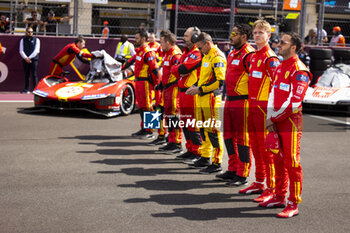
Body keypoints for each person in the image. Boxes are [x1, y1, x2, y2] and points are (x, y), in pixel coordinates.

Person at [262, 32, 311, 218]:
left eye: (283, 42)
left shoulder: (300, 70)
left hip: (290, 122)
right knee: (277, 159)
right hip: (276, 120)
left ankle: (293, 202)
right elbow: (273, 94)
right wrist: (270, 117)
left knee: (291, 161)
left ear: (293, 47)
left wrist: (273, 119)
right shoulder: (280, 66)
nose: (278, 43)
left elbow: (294, 103)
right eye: (279, 41)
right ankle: (279, 196)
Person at [239, 20, 280, 204]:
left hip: (264, 110)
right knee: (255, 148)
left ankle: (271, 188)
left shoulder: (270, 59)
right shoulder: (253, 56)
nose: (257, 35)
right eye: (255, 32)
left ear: (268, 36)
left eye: (261, 33)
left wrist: (272, 114)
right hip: (252, 107)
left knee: (267, 151)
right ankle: (259, 182)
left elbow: (277, 87)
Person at [216, 24, 255, 185]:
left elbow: (254, 81)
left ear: (244, 37)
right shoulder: (232, 53)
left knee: (242, 138)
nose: (231, 36)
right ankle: (232, 168)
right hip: (229, 100)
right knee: (228, 135)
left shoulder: (249, 54)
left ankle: (243, 173)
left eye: (235, 33)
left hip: (243, 101)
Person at [186, 32, 226, 174]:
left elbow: (219, 82)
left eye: (200, 47)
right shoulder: (206, 56)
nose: (198, 50)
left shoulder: (217, 56)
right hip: (202, 97)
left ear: (207, 44)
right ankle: (205, 156)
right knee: (204, 129)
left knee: (213, 131)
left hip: (211, 98)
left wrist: (200, 89)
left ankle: (217, 162)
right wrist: (195, 86)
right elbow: (204, 77)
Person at [171, 26, 203, 162]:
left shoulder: (196, 53)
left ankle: (197, 151)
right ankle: (189, 149)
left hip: (191, 93)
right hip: (181, 91)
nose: (183, 38)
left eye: (186, 36)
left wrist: (179, 70)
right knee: (184, 122)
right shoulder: (185, 53)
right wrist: (179, 70)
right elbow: (177, 69)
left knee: (192, 123)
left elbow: (183, 68)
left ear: (195, 38)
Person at [122, 29, 161, 139]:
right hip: (138, 81)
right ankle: (144, 128)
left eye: (137, 38)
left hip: (145, 83)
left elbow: (155, 70)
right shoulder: (139, 51)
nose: (135, 40)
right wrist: (119, 69)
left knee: (148, 106)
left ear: (143, 39)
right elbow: (130, 61)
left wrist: (155, 84)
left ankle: (150, 131)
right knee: (141, 106)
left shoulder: (148, 52)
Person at [151, 30, 183, 153]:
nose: (160, 44)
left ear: (168, 42)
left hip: (173, 89)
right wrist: (160, 84)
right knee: (166, 113)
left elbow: (179, 73)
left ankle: (177, 142)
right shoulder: (166, 53)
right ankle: (169, 140)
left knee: (172, 115)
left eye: (162, 42)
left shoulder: (175, 54)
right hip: (165, 88)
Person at [19, 27, 40, 93]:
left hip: (34, 59)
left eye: (31, 32)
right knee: (26, 74)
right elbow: (21, 50)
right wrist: (26, 58)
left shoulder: (37, 40)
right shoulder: (22, 40)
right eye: (28, 32)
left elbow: (37, 50)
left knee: (34, 74)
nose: (30, 33)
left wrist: (29, 58)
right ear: (26, 32)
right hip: (25, 60)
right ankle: (26, 89)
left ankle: (35, 89)